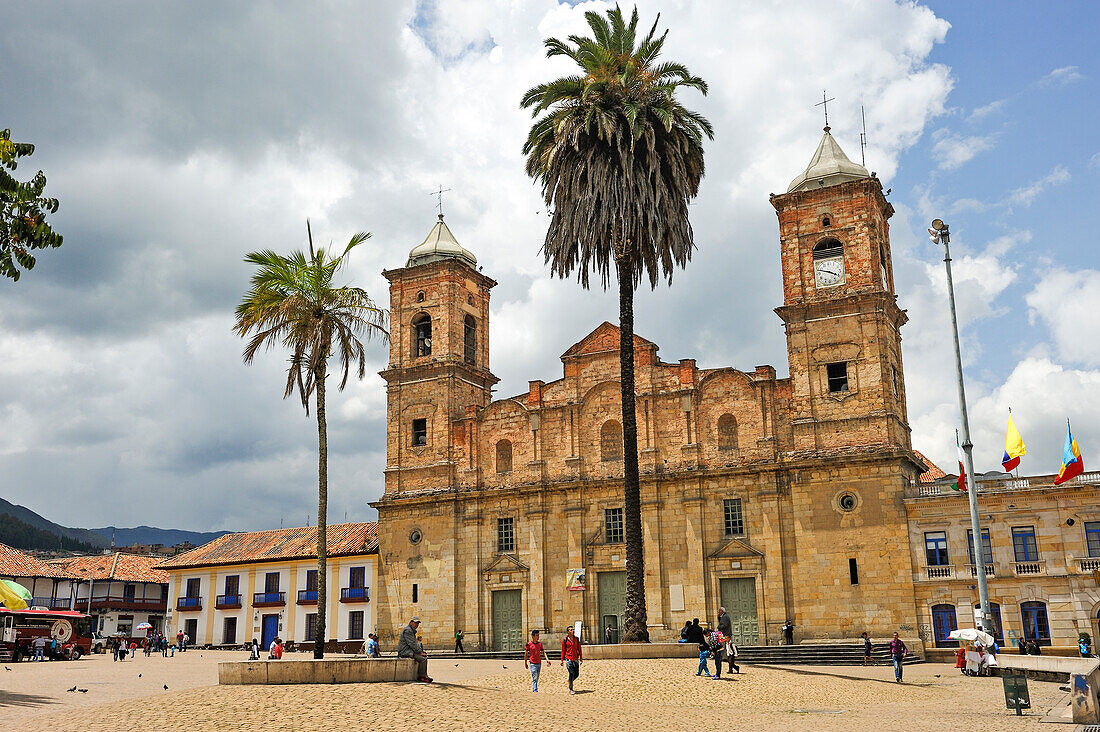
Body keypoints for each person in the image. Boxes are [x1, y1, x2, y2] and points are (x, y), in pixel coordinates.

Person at [397, 616, 432, 683]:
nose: (417, 625)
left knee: (423, 656)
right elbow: (412, 644)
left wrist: (420, 651)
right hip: (405, 652)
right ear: (411, 622)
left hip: (408, 651)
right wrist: (420, 652)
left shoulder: (410, 630)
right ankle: (422, 676)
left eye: (418, 623)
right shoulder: (408, 631)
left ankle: (424, 675)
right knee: (423, 658)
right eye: (416, 623)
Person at [560, 625, 582, 695]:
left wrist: (581, 657)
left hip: (575, 658)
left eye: (573, 629)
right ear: (568, 632)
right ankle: (571, 688)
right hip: (568, 658)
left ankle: (570, 681)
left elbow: (579, 648)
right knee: (571, 673)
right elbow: (563, 650)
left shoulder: (576, 639)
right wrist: (561, 660)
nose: (573, 631)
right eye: (571, 630)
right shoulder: (565, 640)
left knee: (577, 674)